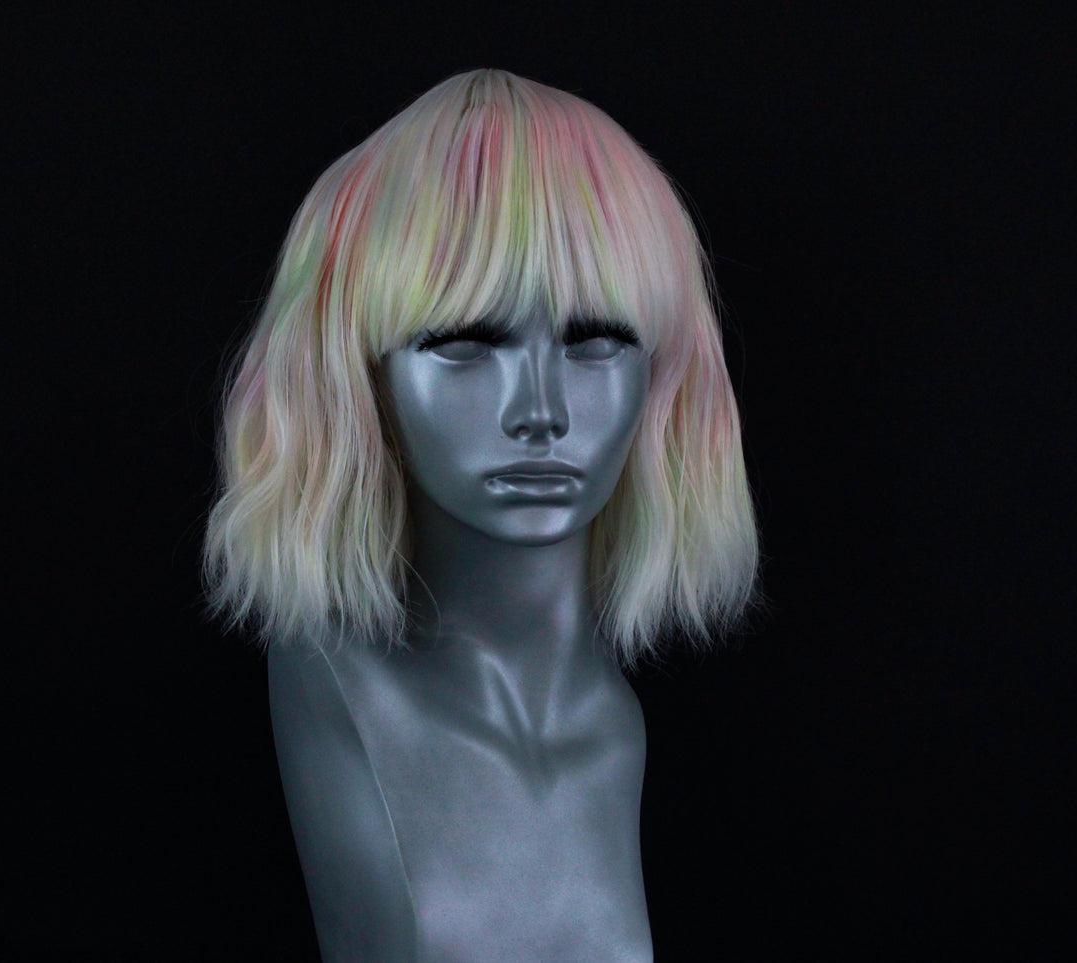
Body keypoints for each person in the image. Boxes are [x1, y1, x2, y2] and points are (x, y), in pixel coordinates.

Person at [204, 68, 758, 961]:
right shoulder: (333, 681)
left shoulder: (614, 723)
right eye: (464, 342)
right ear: (359, 372)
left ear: (663, 373)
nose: (539, 410)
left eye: (595, 339)